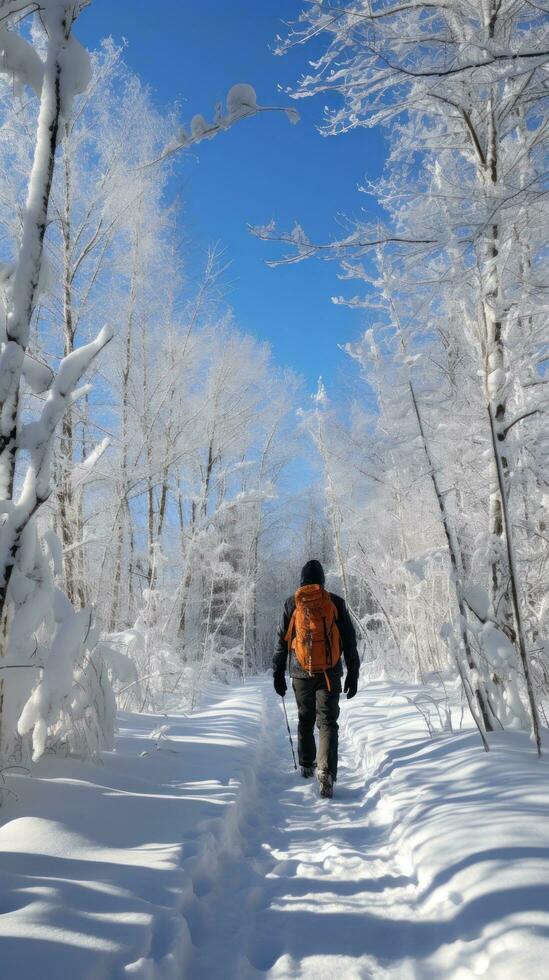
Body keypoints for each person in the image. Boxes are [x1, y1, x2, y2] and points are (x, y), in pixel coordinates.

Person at [273, 559, 359, 798]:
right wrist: (353, 671)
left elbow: (281, 641)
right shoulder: (335, 602)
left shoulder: (292, 603)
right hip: (330, 674)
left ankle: (307, 764)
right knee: (327, 722)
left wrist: (277, 672)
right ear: (322, 581)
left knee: (305, 718)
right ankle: (326, 773)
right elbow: (349, 639)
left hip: (301, 674)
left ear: (301, 580)